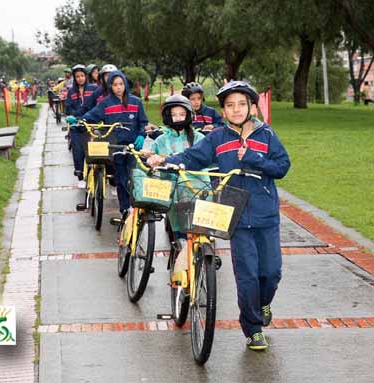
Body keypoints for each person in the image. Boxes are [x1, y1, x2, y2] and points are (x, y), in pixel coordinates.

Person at [147, 81, 291, 351]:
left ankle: (263, 303)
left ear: (251, 106)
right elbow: (192, 157)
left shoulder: (266, 135)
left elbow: (283, 166)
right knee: (247, 274)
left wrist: (254, 160)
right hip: (234, 215)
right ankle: (252, 328)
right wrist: (164, 161)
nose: (236, 109)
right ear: (223, 111)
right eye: (229, 105)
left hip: (266, 215)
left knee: (271, 272)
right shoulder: (218, 138)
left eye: (241, 104)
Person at [70, 70, 148, 213]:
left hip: (132, 146)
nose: (118, 87)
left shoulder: (136, 102)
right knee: (120, 177)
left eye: (121, 84)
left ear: (125, 84)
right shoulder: (105, 103)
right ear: (110, 86)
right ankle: (124, 209)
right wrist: (79, 121)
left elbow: (143, 122)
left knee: (134, 177)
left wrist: (141, 135)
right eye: (115, 84)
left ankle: (136, 207)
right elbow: (92, 115)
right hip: (114, 145)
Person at [141, 95, 208, 240]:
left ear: (189, 115)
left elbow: (207, 158)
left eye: (182, 114)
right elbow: (151, 158)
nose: (178, 118)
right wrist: (150, 158)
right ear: (168, 116)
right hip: (173, 194)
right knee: (179, 236)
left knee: (201, 234)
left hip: (197, 190)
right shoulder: (161, 140)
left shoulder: (199, 138)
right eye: (174, 115)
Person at [65, 64, 98, 188]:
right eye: (77, 76)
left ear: (86, 76)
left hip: (92, 124)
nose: (80, 78)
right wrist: (72, 118)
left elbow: (98, 105)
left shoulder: (94, 89)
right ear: (74, 77)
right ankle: (80, 176)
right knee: (78, 150)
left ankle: (97, 174)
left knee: (94, 150)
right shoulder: (71, 92)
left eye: (82, 75)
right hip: (76, 125)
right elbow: (68, 108)